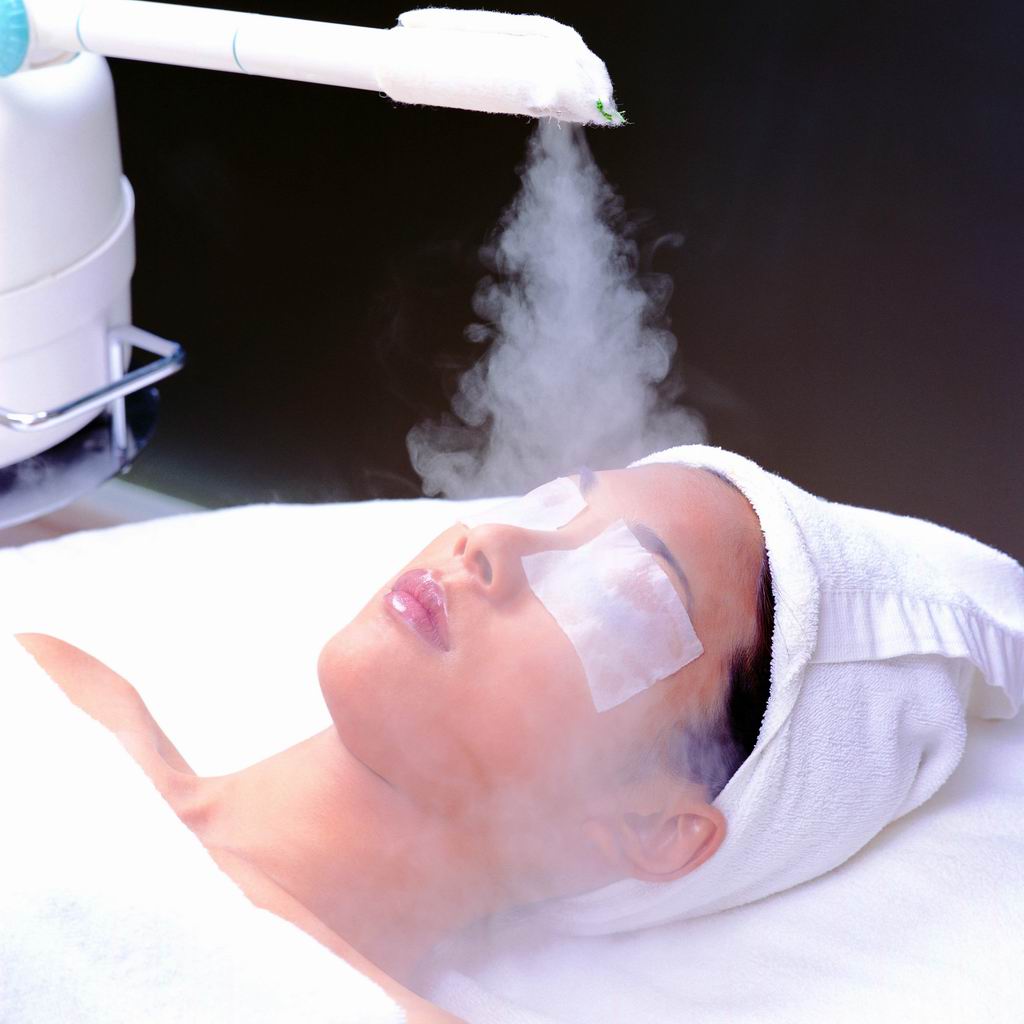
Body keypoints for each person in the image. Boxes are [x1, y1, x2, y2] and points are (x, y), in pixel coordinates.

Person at [15, 458, 773, 1024]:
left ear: (650, 827)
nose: (492, 538)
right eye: (548, 502)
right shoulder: (50, 694)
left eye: (612, 592)